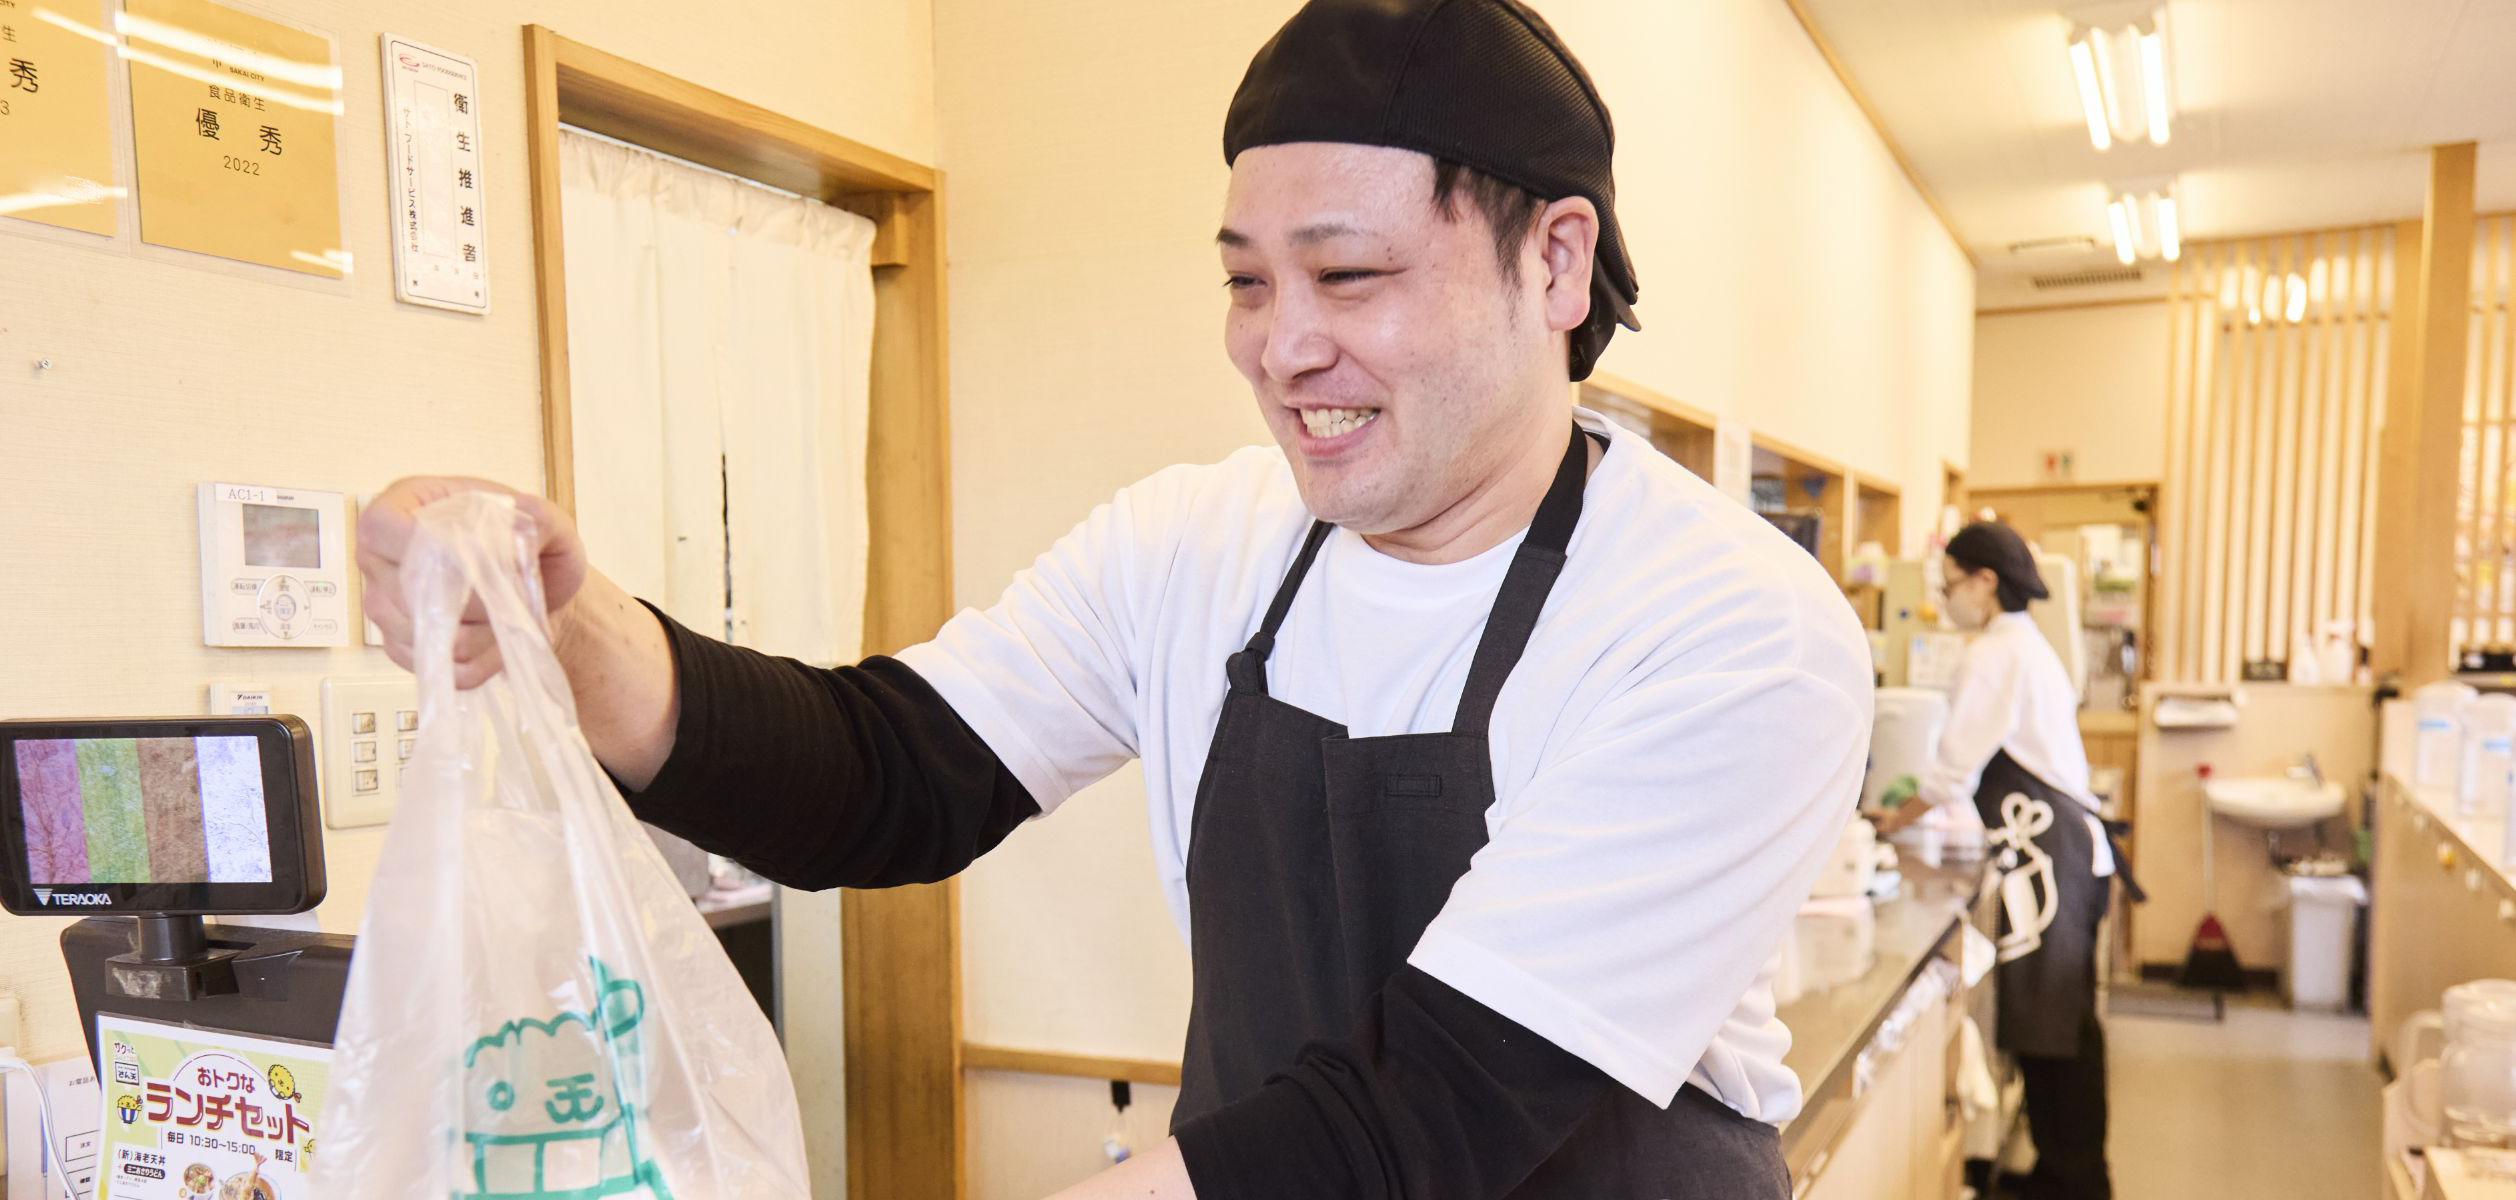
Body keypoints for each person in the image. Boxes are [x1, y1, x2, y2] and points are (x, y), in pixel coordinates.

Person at [358, 1, 1872, 1194]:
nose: (1281, 350)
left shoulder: (1730, 627)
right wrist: (572, 632)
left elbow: (1437, 1115)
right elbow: (887, 776)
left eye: (1345, 278)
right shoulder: (1193, 546)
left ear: (1556, 263)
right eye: (1245, 282)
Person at [1873, 521, 2123, 1200]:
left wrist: (1894, 821)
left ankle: (2073, 1181)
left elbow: (1952, 771)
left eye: (1949, 585)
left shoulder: (1995, 653)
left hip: (2048, 856)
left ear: (1985, 582)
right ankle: (2065, 1171)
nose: (1945, 600)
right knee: (2061, 1025)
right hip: (2064, 853)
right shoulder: (2023, 647)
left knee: (2053, 1029)